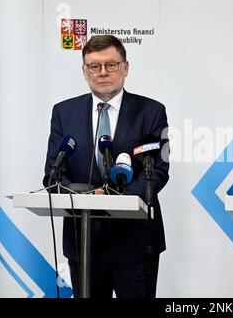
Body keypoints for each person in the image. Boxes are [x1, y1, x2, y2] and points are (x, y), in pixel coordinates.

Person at [43, 35, 169, 298]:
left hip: (135, 242)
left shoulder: (152, 111)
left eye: (111, 65)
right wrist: (86, 197)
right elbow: (54, 175)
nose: (102, 72)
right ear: (84, 70)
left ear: (125, 67)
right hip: (83, 242)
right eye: (94, 66)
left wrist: (114, 199)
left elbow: (157, 172)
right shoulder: (63, 113)